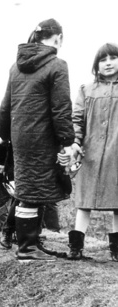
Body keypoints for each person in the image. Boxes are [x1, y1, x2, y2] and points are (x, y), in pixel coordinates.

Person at [0, 18, 81, 261]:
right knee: (36, 190)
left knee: (28, 190)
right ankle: (27, 249)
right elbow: (61, 109)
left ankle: (30, 244)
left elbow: (5, 107)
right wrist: (67, 141)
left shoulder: (16, 67)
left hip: (21, 138)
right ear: (59, 38)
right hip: (43, 138)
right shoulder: (58, 65)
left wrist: (5, 137)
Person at [68, 43, 118, 261]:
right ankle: (76, 246)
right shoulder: (86, 90)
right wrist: (76, 143)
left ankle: (116, 250)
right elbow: (76, 119)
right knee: (84, 201)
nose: (108, 63)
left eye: (113, 58)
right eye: (103, 59)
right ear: (96, 65)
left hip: (116, 155)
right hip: (91, 154)